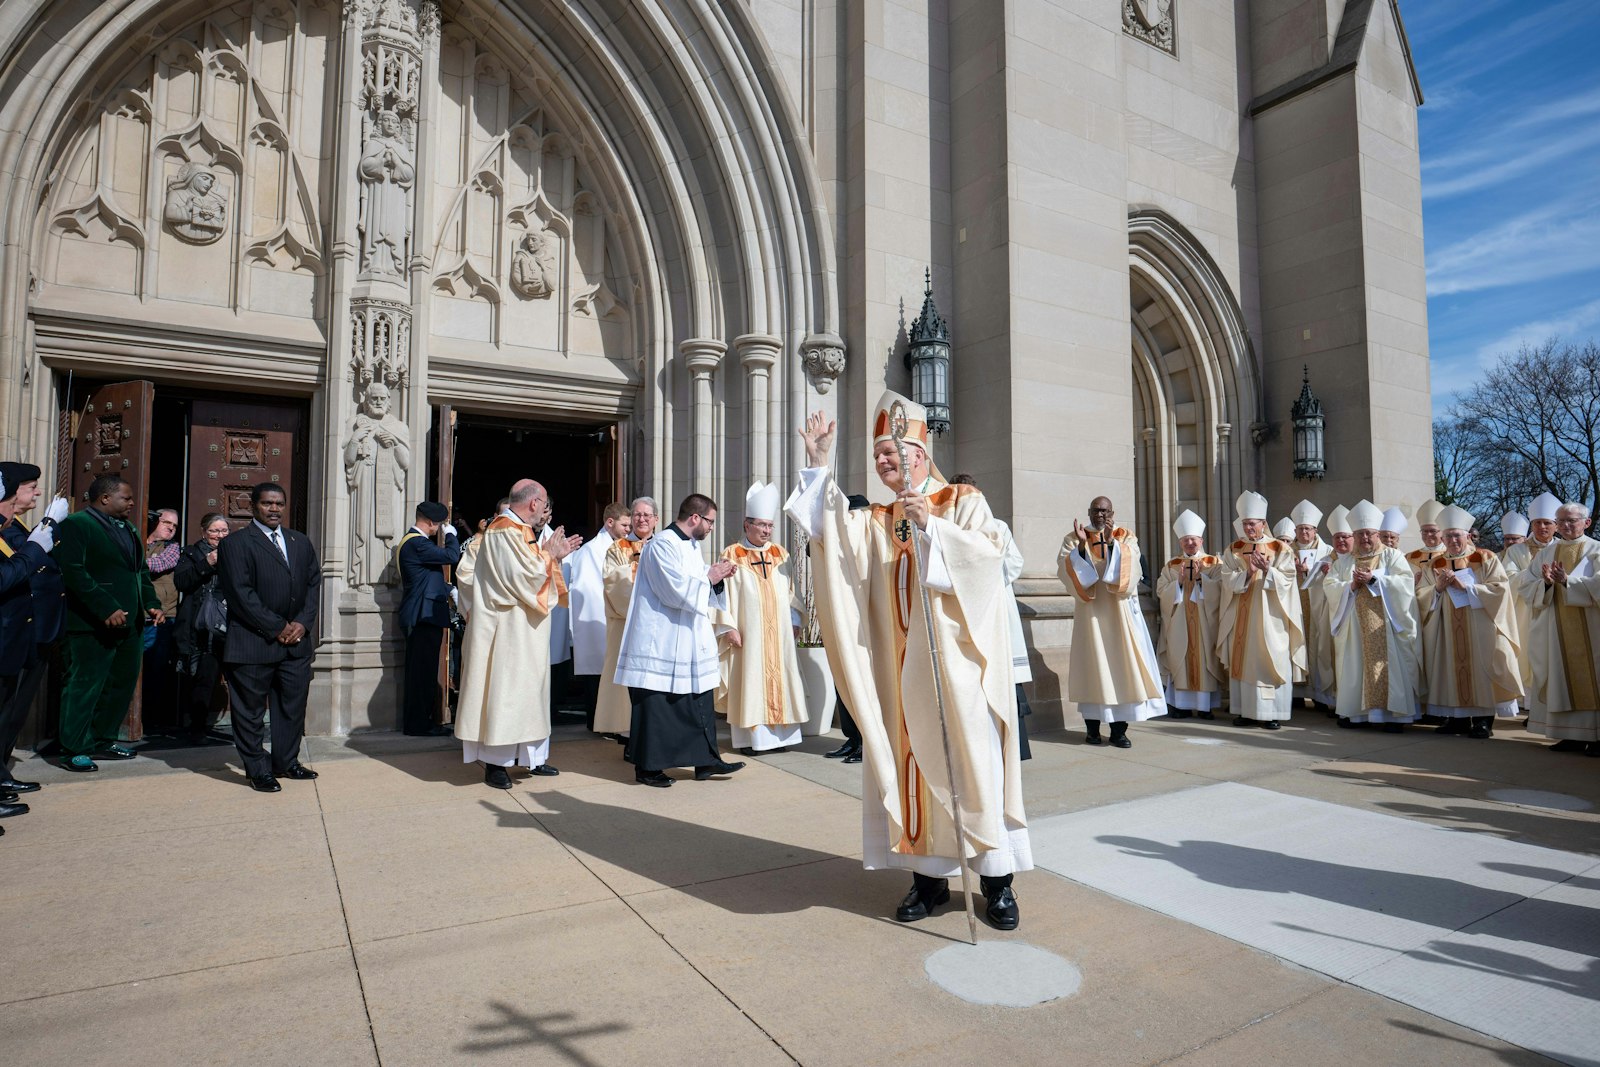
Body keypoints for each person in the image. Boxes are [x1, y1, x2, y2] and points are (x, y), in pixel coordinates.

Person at [789, 395, 1027, 931]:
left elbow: (991, 563)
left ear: (920, 452)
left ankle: (997, 883)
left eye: (890, 452)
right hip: (900, 674)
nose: (882, 463)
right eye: (876, 456)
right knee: (910, 767)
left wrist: (935, 531)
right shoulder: (879, 518)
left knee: (971, 768)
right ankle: (928, 882)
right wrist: (820, 466)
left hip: (958, 672)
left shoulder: (961, 499)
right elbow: (832, 539)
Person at [454, 480, 580, 788]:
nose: (543, 514)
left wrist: (553, 557)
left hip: (524, 629)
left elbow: (532, 571)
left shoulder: (519, 531)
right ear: (534, 503)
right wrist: (549, 556)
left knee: (525, 694)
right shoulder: (504, 531)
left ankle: (531, 759)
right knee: (505, 694)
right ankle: (495, 765)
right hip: (506, 630)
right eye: (543, 504)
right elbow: (523, 578)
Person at [617, 494, 745, 786]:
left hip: (685, 639)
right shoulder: (661, 544)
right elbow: (673, 590)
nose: (712, 527)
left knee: (696, 699)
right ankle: (648, 769)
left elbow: (696, 580)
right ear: (695, 518)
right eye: (710, 521)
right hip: (661, 639)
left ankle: (706, 761)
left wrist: (717, 576)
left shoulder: (689, 545)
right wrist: (709, 577)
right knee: (658, 706)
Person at [55, 475, 164, 772]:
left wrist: (152, 604)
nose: (131, 503)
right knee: (84, 685)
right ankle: (73, 747)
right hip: (91, 624)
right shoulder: (77, 525)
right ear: (105, 498)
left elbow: (139, 571)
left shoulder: (128, 528)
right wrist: (105, 607)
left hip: (131, 624)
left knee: (120, 684)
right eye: (126, 498)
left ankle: (103, 739)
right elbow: (73, 571)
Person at [216, 483, 321, 792]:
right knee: (249, 712)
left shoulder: (299, 542)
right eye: (267, 503)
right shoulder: (235, 544)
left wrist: (302, 623)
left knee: (292, 706)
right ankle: (258, 769)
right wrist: (277, 627)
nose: (274, 508)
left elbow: (313, 585)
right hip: (253, 642)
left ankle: (286, 762)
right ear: (254, 506)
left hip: (296, 644)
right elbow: (240, 594)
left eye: (279, 503)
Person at [1058, 495, 1164, 747]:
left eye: (1105, 511)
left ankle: (1119, 731)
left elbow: (1133, 566)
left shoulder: (1125, 536)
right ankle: (1092, 730)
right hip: (1090, 615)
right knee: (1091, 669)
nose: (1101, 515)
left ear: (1112, 512)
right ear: (1089, 511)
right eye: (1096, 510)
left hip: (1119, 614)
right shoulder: (1073, 538)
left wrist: (1113, 543)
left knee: (1120, 668)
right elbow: (1064, 569)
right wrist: (1083, 548)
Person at [714, 482, 809, 755]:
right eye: (762, 525)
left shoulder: (781, 554)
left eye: (770, 526)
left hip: (779, 634)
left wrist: (794, 620)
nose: (767, 531)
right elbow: (721, 595)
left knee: (783, 677)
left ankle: (782, 739)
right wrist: (727, 627)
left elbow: (792, 591)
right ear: (747, 525)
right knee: (751, 680)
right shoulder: (732, 554)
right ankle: (751, 741)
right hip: (749, 633)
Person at [1417, 506, 1522, 739]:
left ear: (1467, 535)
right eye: (1449, 536)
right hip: (1446, 627)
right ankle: (1458, 720)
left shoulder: (1484, 557)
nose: (1453, 540)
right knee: (1449, 668)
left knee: (1482, 668)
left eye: (1458, 535)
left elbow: (1500, 589)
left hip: (1480, 625)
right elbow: (1420, 595)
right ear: (1442, 538)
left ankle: (1484, 721)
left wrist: (1469, 588)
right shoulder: (1434, 564)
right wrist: (1438, 588)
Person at [0, 464, 65, 818]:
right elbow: (16, 570)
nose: (37, 493)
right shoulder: (7, 528)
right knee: (6, 711)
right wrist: (47, 530)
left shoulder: (17, 525)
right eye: (30, 487)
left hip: (27, 630)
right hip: (16, 630)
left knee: (12, 709)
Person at [954, 474, 1033, 759]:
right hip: (962, 617)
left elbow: (1013, 563)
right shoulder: (948, 528)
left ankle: (1013, 750)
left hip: (995, 612)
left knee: (1005, 684)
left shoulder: (998, 527)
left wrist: (979, 577)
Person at [1513, 502, 1600, 756]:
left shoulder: (1596, 550)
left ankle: (1596, 738)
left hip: (1592, 630)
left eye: (1571, 520)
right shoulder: (1548, 552)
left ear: (1586, 522)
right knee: (1560, 678)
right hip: (1556, 628)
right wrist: (1547, 584)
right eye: (1560, 521)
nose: (1564, 526)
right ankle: (1569, 735)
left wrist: (1569, 582)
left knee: (1594, 679)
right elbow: (1526, 584)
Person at [1327, 500, 1421, 732]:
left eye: (1369, 533)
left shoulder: (1393, 556)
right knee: (1355, 664)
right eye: (1359, 534)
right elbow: (1330, 584)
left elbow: (1405, 583)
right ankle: (1356, 714)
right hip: (1355, 624)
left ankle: (1393, 716)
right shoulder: (1345, 561)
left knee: (1388, 665)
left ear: (1378, 534)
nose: (1364, 539)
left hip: (1387, 625)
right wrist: (1350, 585)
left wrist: (1375, 580)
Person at [1214, 491, 1304, 729]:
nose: (1248, 527)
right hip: (1241, 618)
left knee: (1270, 659)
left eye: (1251, 523)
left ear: (1263, 523)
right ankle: (1245, 711)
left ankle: (1271, 713)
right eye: (1244, 523)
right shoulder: (1234, 548)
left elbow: (1288, 580)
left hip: (1271, 618)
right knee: (1244, 659)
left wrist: (1268, 571)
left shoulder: (1280, 548)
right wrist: (1248, 573)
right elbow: (1226, 579)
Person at [593, 497, 658, 740]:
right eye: (637, 515)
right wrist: (637, 568)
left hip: (658, 626)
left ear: (656, 520)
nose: (642, 519)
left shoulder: (663, 545)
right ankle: (626, 731)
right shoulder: (618, 548)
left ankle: (654, 728)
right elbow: (612, 583)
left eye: (647, 515)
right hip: (626, 624)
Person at [395, 501, 460, 736]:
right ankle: (418, 725)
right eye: (440, 524)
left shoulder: (413, 543)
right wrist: (452, 536)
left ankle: (421, 722)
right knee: (421, 674)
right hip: (421, 617)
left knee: (424, 671)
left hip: (423, 615)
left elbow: (426, 580)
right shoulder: (417, 543)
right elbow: (452, 555)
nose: (440, 529)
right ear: (432, 522)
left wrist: (448, 588)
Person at [1154, 509, 1222, 720]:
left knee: (1204, 659)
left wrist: (1203, 580)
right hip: (1179, 623)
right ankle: (1180, 706)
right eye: (1185, 540)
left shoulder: (1214, 563)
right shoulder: (1172, 565)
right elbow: (1161, 590)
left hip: (1204, 622)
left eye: (1193, 539)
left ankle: (1205, 707)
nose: (1190, 543)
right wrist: (1180, 583)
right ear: (1180, 542)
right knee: (1179, 658)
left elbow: (1222, 590)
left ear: (1201, 540)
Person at [568, 501, 630, 729]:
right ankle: (595, 722)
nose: (628, 529)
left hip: (613, 615)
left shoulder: (622, 548)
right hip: (596, 619)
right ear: (610, 522)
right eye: (624, 525)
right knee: (597, 674)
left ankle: (611, 722)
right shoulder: (590, 550)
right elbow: (584, 588)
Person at [821, 494, 872, 763]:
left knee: (863, 683)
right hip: (842, 622)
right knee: (844, 682)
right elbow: (812, 549)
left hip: (865, 626)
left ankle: (867, 741)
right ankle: (852, 739)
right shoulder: (838, 540)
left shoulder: (870, 536)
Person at [172, 513, 231, 740]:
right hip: (198, 626)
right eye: (215, 531)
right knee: (201, 677)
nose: (220, 535)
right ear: (204, 532)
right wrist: (208, 563)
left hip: (226, 625)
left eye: (224, 530)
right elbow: (181, 581)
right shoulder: (190, 553)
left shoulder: (234, 553)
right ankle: (196, 726)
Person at [1288, 501, 1333, 711]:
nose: (1304, 532)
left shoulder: (1328, 552)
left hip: (1318, 606)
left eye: (1308, 528)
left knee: (1318, 645)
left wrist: (1308, 572)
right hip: (1293, 605)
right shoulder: (1286, 551)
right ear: (1295, 530)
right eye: (1300, 529)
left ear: (1315, 530)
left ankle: (1319, 693)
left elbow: (1334, 578)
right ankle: (1297, 692)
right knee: (1294, 643)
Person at [142, 508, 182, 732]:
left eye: (175, 526)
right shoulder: (139, 541)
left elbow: (157, 565)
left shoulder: (172, 547)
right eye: (167, 523)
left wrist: (141, 559)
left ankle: (151, 721)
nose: (171, 528)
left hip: (162, 617)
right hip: (135, 615)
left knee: (154, 671)